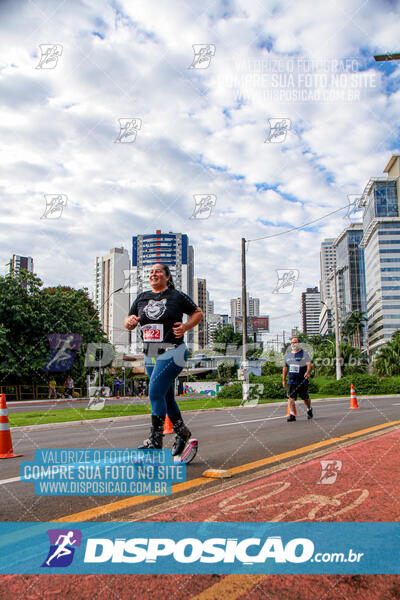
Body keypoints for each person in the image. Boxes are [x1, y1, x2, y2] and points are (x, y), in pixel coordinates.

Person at [124, 263, 203, 451]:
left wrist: (185, 327)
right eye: (151, 272)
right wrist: (130, 322)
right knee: (166, 397)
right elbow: (128, 322)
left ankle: (155, 441)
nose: (154, 274)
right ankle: (183, 432)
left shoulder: (176, 296)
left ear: (167, 276)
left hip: (173, 351)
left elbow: (198, 312)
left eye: (158, 271)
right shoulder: (142, 298)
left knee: (154, 392)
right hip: (150, 354)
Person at [282, 337, 313, 422]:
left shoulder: (304, 354)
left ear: (299, 344)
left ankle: (309, 409)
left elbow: (309, 365)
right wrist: (284, 379)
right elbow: (285, 368)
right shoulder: (287, 356)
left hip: (302, 380)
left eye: (295, 342)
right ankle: (292, 415)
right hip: (291, 380)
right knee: (291, 398)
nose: (293, 344)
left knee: (305, 398)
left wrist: (308, 372)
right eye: (292, 342)